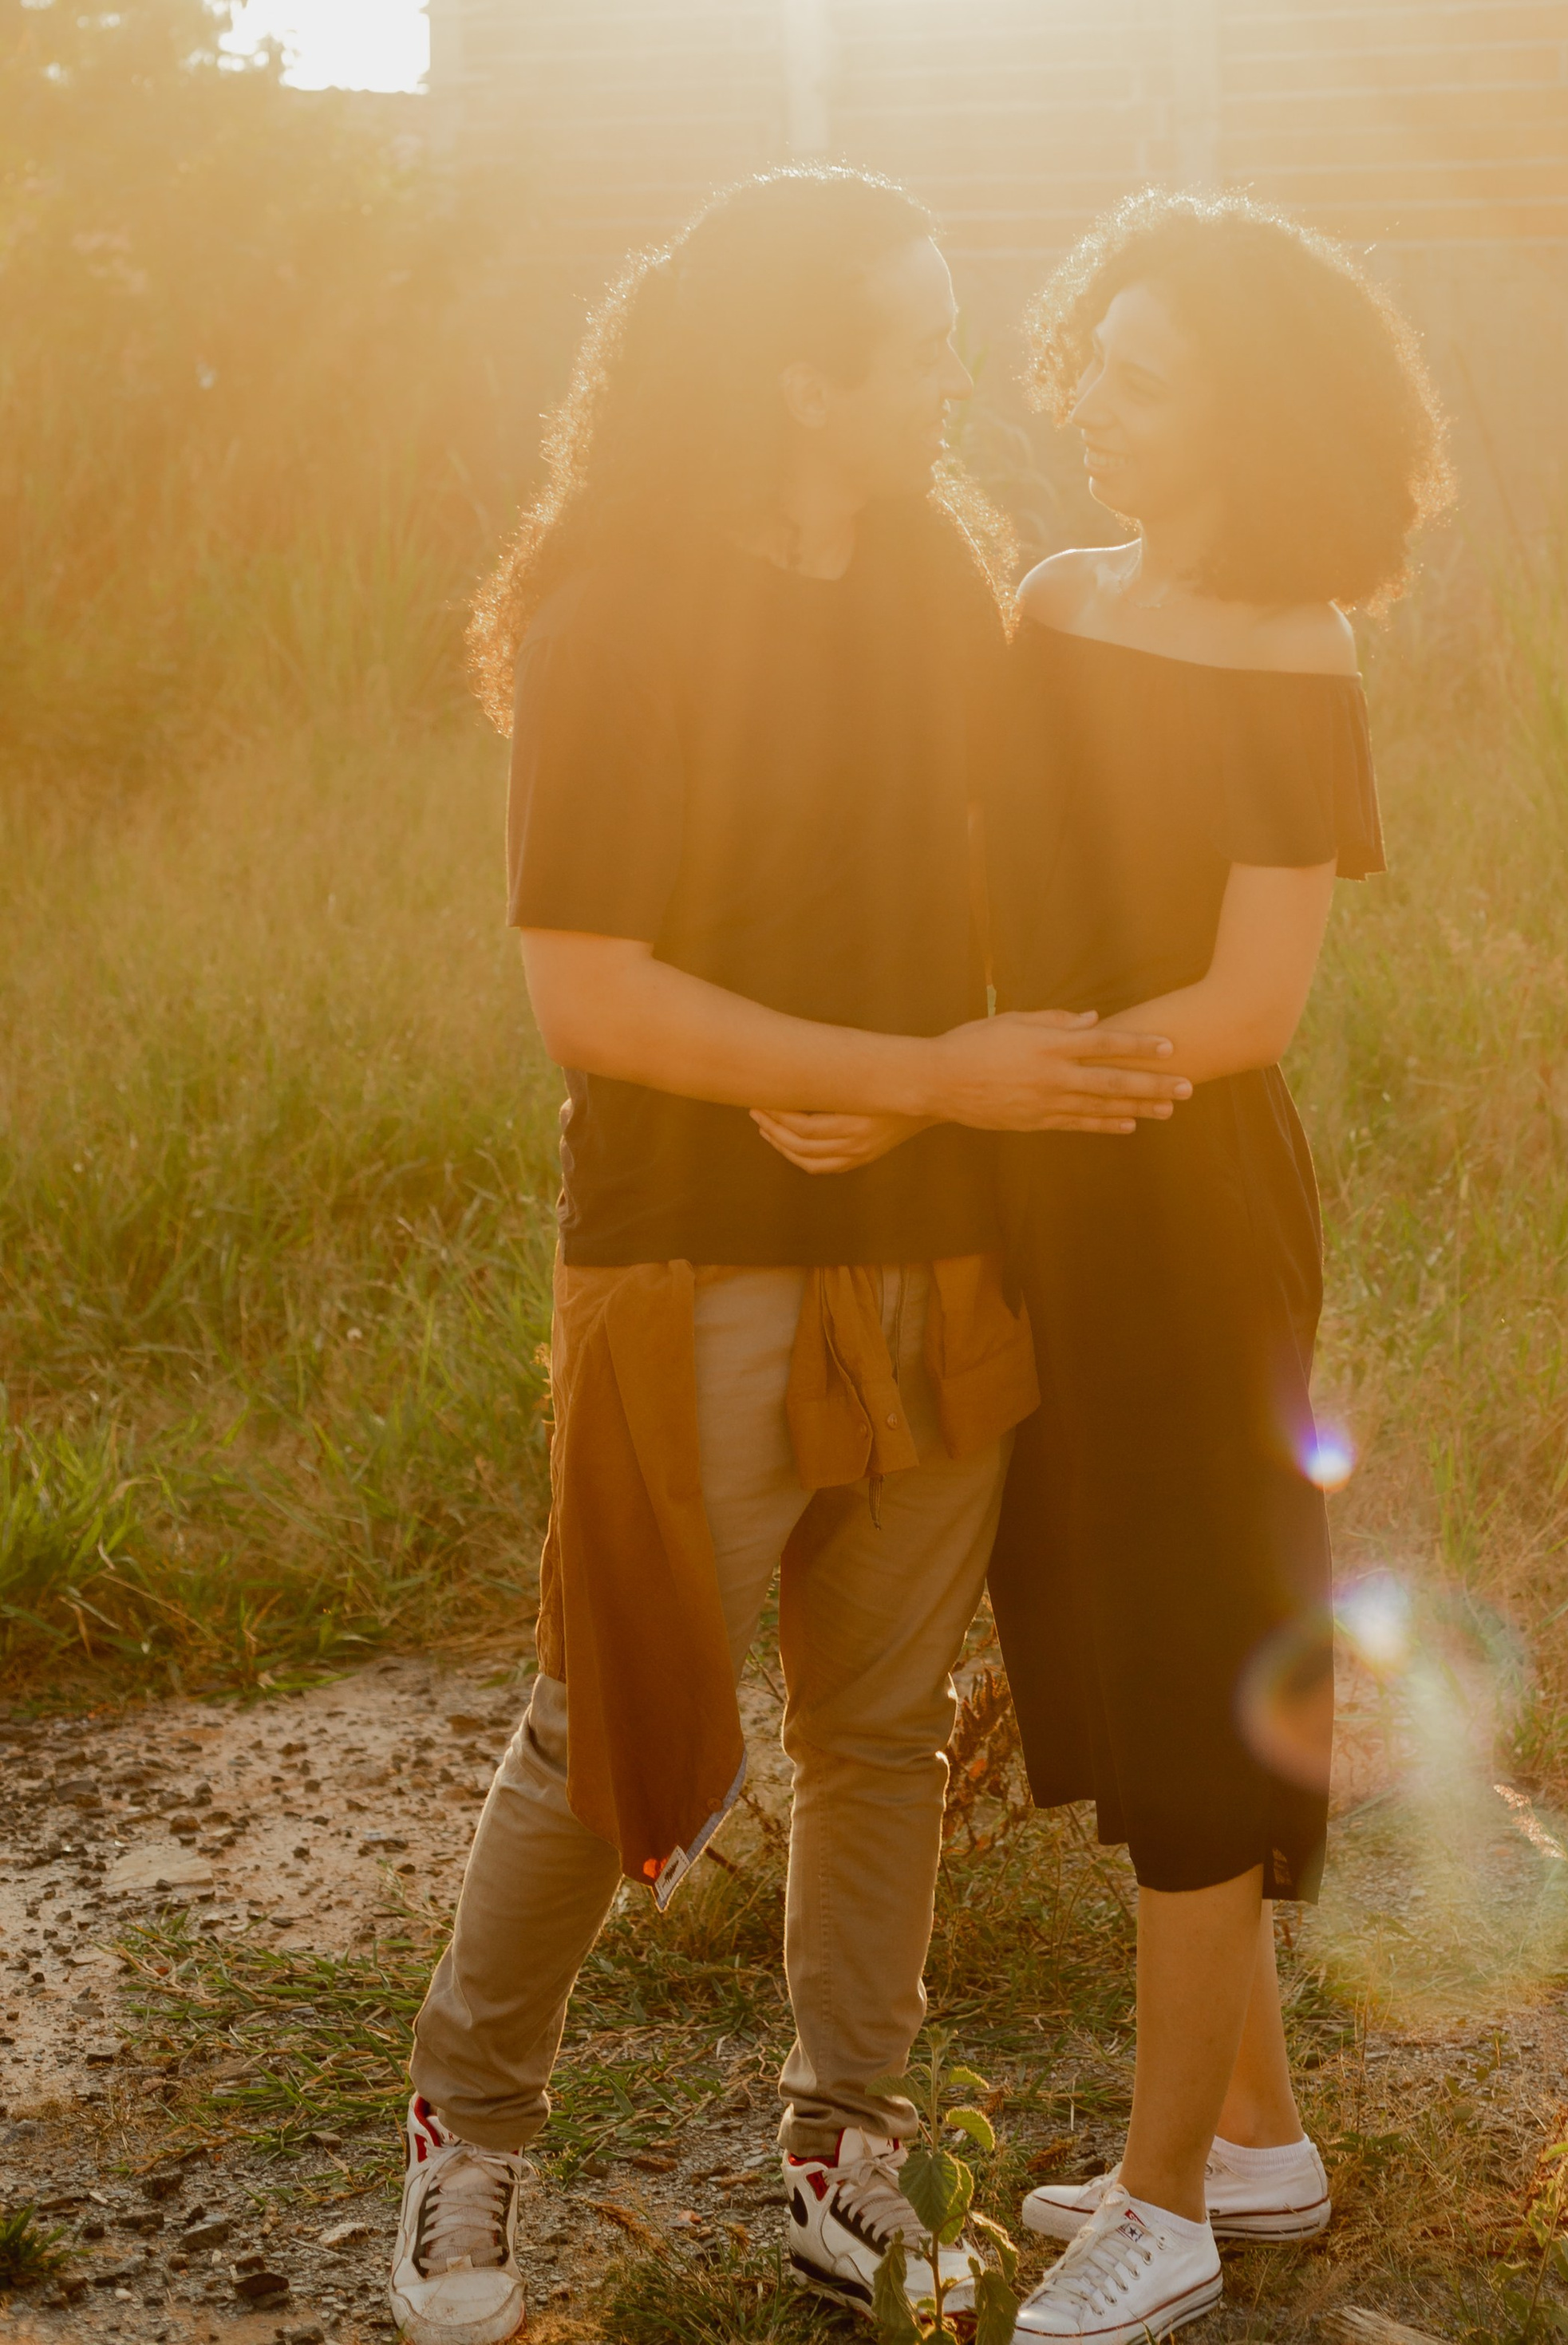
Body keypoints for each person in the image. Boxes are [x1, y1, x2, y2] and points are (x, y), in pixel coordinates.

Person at [390, 168, 1187, 2345]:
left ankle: (846, 2136)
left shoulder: (939, 572)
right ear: (797, 374)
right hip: (697, 1248)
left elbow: (1003, 870)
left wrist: (927, 1080)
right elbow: (592, 993)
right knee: (619, 1721)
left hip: (942, 1242)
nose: (956, 360)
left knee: (881, 1722)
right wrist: (877, 1067)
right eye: (919, 330)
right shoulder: (616, 613)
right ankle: (473, 2137)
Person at [765, 189, 1449, 2345]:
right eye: (1093, 365)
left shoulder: (1298, 642)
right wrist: (921, 1081)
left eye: (1149, 379)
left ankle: (1159, 2204)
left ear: (1255, 410)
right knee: (1100, 1641)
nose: (1094, 409)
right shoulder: (1054, 601)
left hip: (1180, 1203)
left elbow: (1250, 1003)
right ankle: (1254, 2142)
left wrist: (994, 1085)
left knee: (1192, 1676)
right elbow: (964, 874)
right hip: (1033, 1189)